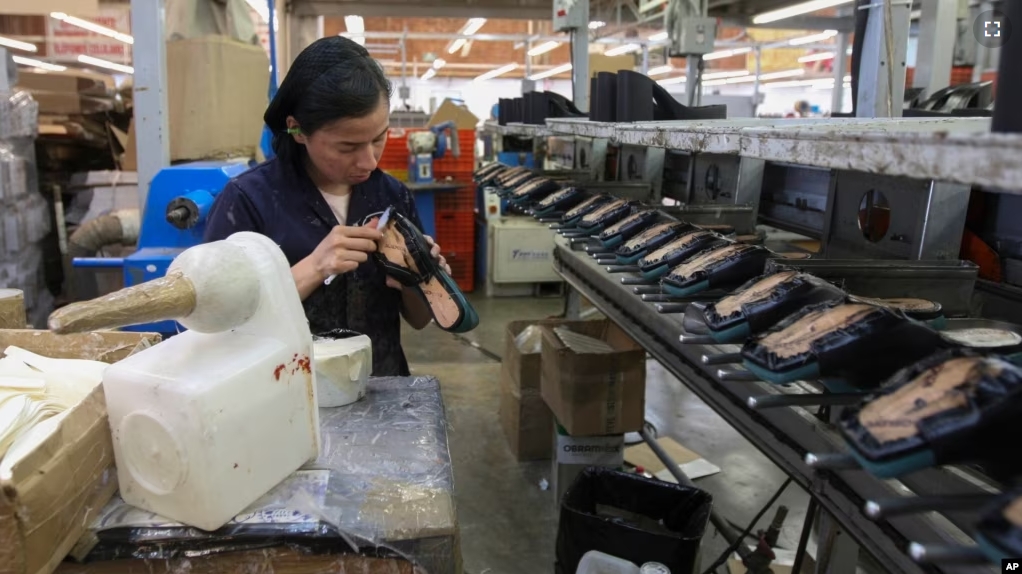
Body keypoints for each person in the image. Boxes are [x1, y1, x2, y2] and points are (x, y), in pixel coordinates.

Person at [204, 36, 451, 377]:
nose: (369, 160)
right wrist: (313, 268)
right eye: (347, 146)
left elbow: (420, 319)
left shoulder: (391, 195)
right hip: (287, 395)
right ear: (298, 130)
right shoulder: (249, 201)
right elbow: (217, 324)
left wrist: (419, 276)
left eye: (379, 138)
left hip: (381, 390)